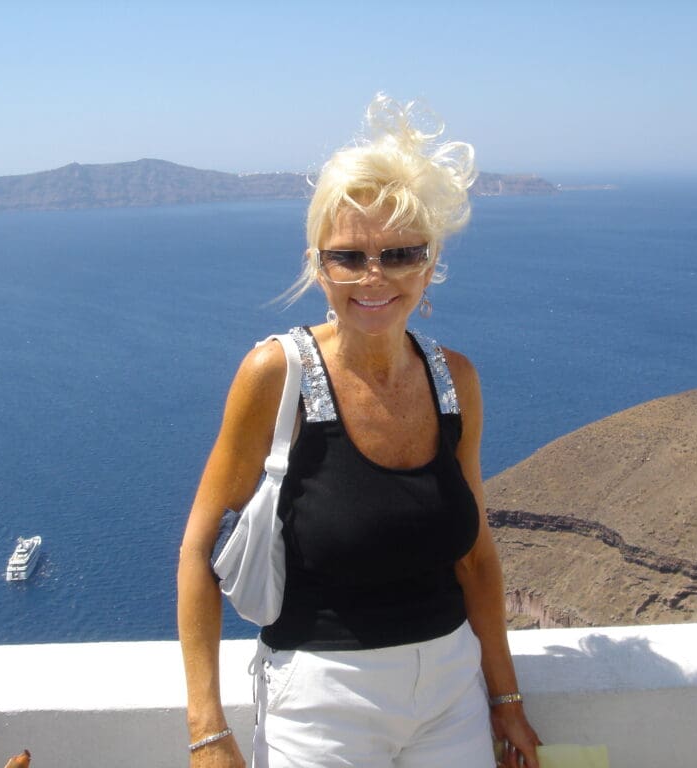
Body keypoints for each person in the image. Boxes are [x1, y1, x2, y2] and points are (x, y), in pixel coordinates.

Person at [178, 94, 540, 768]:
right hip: (320, 705)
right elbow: (199, 551)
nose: (374, 277)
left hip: (450, 697)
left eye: (400, 253)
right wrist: (207, 729)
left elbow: (477, 559)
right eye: (348, 257)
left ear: (430, 266)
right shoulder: (274, 374)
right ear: (319, 266)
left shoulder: (454, 381)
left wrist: (506, 701)